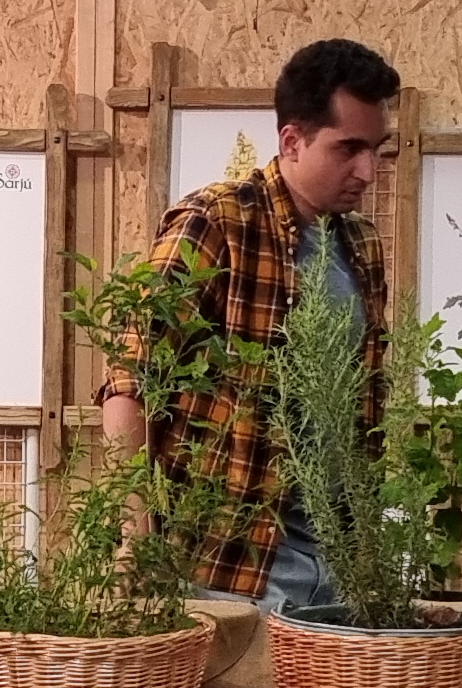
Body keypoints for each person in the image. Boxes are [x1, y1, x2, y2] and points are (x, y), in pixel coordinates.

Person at [97, 37, 398, 614]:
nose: (368, 170)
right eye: (349, 148)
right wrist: (135, 546)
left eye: (376, 148)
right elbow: (131, 381)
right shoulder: (217, 222)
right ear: (292, 141)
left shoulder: (361, 244)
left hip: (339, 562)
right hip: (230, 565)